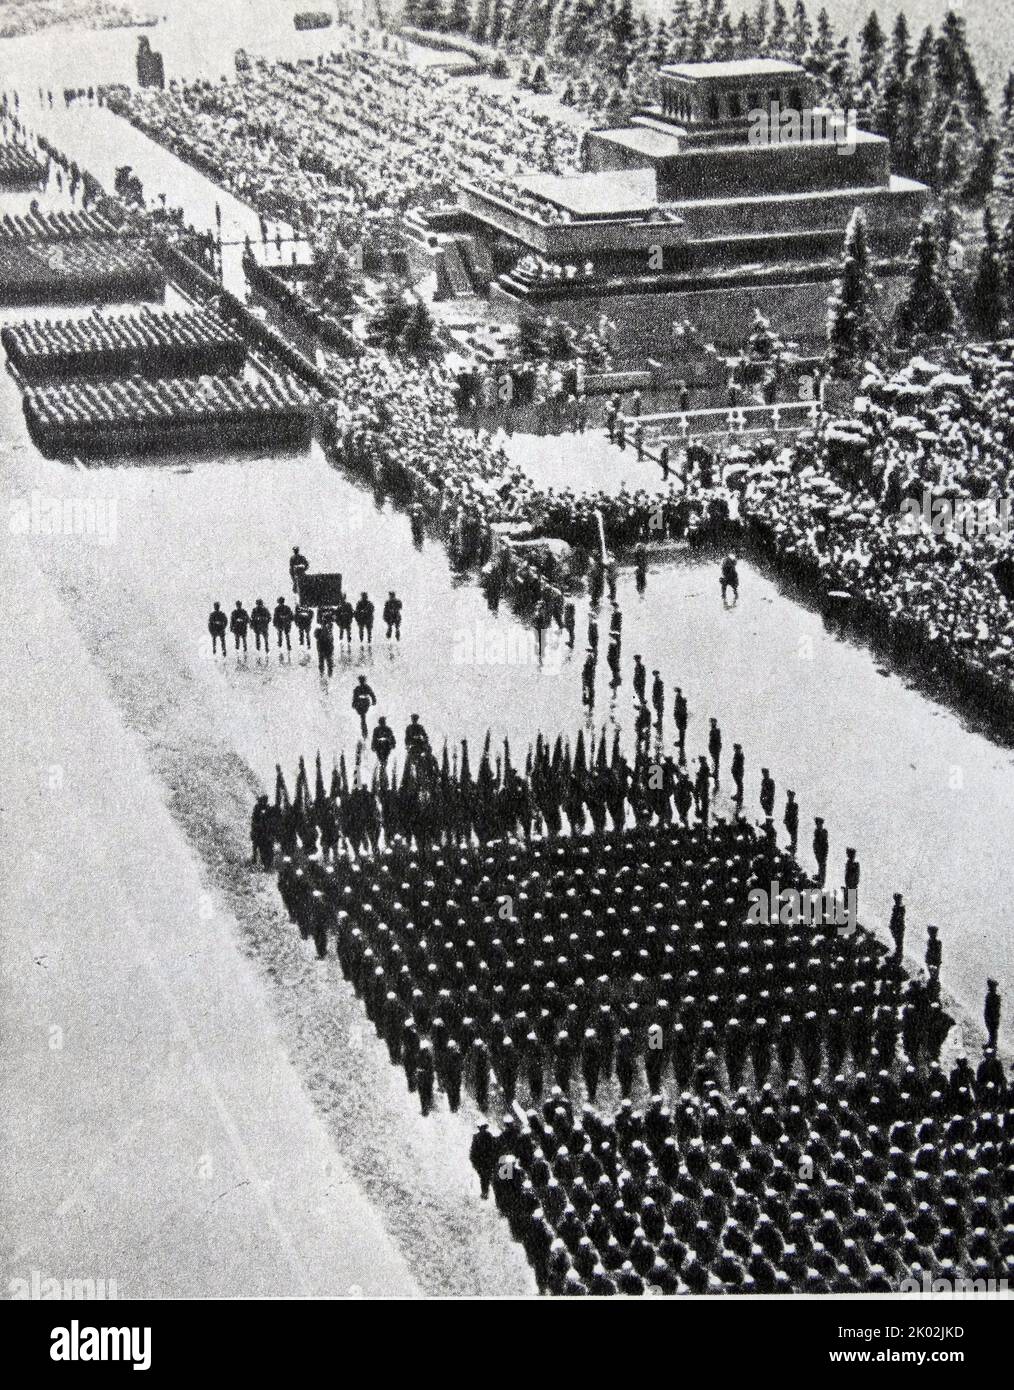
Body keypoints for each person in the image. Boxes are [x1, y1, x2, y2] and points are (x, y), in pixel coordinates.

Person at [470, 1122, 496, 1199]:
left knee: (484, 1178)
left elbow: (473, 1151)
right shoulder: (489, 1135)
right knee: (488, 1177)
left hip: (482, 1161)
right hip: (487, 1160)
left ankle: (485, 1193)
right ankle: (488, 1193)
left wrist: (474, 1162)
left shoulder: (476, 1137)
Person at [250, 794, 275, 868]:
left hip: (267, 832)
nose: (264, 802)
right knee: (256, 845)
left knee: (269, 846)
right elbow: (254, 820)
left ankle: (267, 862)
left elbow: (271, 819)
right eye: (263, 800)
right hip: (259, 832)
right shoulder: (257, 808)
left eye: (265, 800)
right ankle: (254, 857)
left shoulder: (268, 809)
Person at [984, 979, 1001, 1049]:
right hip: (990, 1015)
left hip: (992, 1016)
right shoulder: (990, 995)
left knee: (992, 1031)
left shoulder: (995, 997)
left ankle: (993, 1044)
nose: (989, 988)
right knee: (991, 1031)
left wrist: (994, 1017)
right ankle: (991, 1043)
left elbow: (996, 1008)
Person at [889, 893, 906, 962]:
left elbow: (897, 918)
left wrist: (893, 925)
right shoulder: (899, 907)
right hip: (898, 927)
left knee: (898, 941)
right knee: (898, 941)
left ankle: (899, 955)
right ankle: (898, 954)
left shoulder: (899, 908)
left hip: (898, 927)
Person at [813, 816, 829, 887]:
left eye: (819, 824)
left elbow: (824, 843)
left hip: (822, 851)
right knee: (820, 864)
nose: (818, 825)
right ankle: (820, 876)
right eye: (817, 824)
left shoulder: (823, 832)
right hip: (818, 850)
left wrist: (824, 853)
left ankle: (822, 879)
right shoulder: (816, 831)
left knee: (822, 864)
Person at [783, 789, 798, 853]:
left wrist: (789, 820)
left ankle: (793, 846)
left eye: (791, 796)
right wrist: (785, 819)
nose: (790, 798)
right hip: (789, 822)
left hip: (793, 822)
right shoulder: (788, 804)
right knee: (791, 834)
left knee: (793, 834)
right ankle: (792, 845)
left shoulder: (794, 805)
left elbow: (794, 814)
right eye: (789, 796)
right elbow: (786, 813)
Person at [708, 718, 722, 784]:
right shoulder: (715, 730)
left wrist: (713, 748)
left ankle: (715, 775)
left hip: (715, 748)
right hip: (715, 748)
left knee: (716, 761)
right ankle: (715, 773)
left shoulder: (714, 731)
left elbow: (716, 740)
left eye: (712, 722)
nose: (711, 723)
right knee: (715, 761)